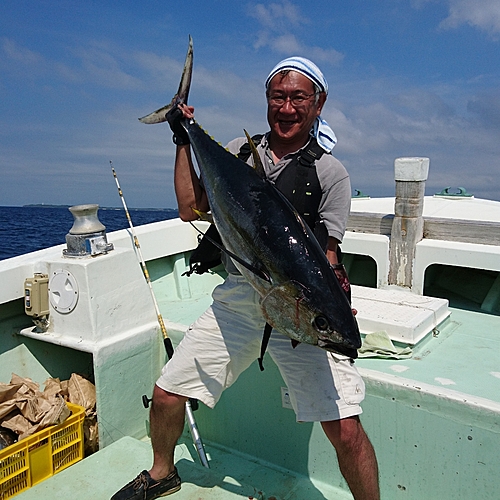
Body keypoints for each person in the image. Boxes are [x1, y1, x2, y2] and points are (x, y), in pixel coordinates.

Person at [111, 57, 380, 500]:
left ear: (319, 104)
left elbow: (328, 254)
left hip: (298, 309)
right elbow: (189, 209)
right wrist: (183, 137)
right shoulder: (238, 151)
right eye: (279, 96)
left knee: (347, 430)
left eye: (299, 97)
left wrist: (336, 295)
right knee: (165, 394)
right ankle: (163, 472)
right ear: (267, 101)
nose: (287, 107)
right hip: (242, 296)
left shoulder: (331, 174)